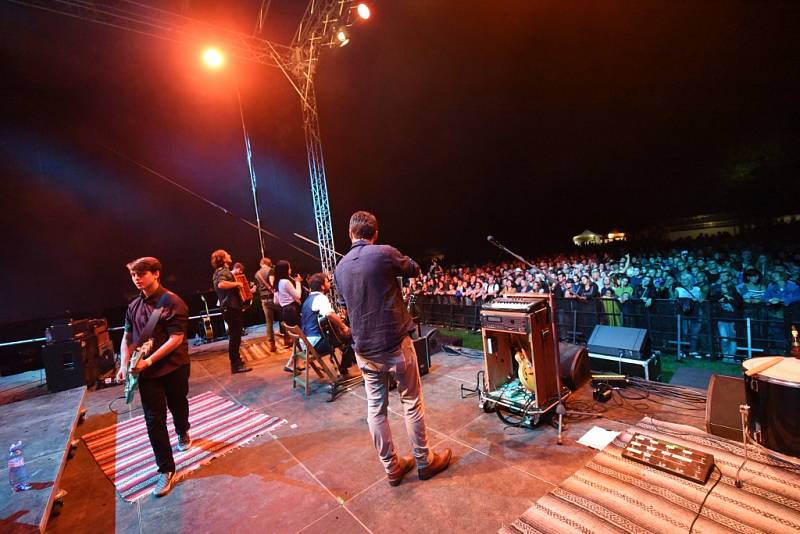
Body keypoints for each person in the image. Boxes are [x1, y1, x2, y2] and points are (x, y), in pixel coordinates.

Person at [334, 210, 451, 486]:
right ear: (374, 234)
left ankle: (393, 468)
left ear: (350, 234)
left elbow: (344, 306)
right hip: (394, 344)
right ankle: (424, 461)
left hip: (364, 350)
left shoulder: (339, 268)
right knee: (411, 402)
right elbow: (413, 268)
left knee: (376, 409)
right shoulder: (384, 252)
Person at [117, 257, 191, 498]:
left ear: (156, 273)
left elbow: (176, 338)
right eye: (133, 275)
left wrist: (148, 360)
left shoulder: (173, 302)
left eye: (142, 273)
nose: (137, 278)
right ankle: (166, 470)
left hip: (173, 367)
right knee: (153, 420)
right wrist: (124, 363)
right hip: (148, 375)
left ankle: (182, 430)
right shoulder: (133, 306)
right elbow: (127, 337)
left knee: (178, 404)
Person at [300, 273, 356, 376]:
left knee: (342, 337)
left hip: (306, 343)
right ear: (322, 286)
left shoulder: (308, 299)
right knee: (352, 335)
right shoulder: (320, 298)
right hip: (316, 345)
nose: (329, 284)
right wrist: (343, 327)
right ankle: (349, 366)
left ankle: (346, 364)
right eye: (327, 282)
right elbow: (329, 314)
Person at [211, 249, 252, 374]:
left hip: (230, 308)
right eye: (227, 254)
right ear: (223, 259)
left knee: (235, 336)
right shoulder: (222, 271)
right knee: (235, 337)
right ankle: (235, 365)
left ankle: (237, 361)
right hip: (231, 308)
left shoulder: (221, 271)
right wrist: (236, 284)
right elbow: (221, 284)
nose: (230, 255)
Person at [274, 260, 303, 371]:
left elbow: (276, 301)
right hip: (292, 310)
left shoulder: (277, 283)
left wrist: (287, 298)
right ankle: (291, 364)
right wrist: (298, 282)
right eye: (289, 267)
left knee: (296, 337)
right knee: (300, 337)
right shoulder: (286, 282)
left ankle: (293, 364)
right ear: (285, 270)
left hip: (284, 311)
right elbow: (298, 295)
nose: (290, 270)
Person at [254, 257, 277, 352]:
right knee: (283, 317)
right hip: (273, 298)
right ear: (269, 263)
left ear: (261, 264)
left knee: (269, 322)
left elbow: (256, 288)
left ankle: (272, 344)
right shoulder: (271, 270)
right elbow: (272, 282)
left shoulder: (257, 274)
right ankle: (287, 339)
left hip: (264, 300)